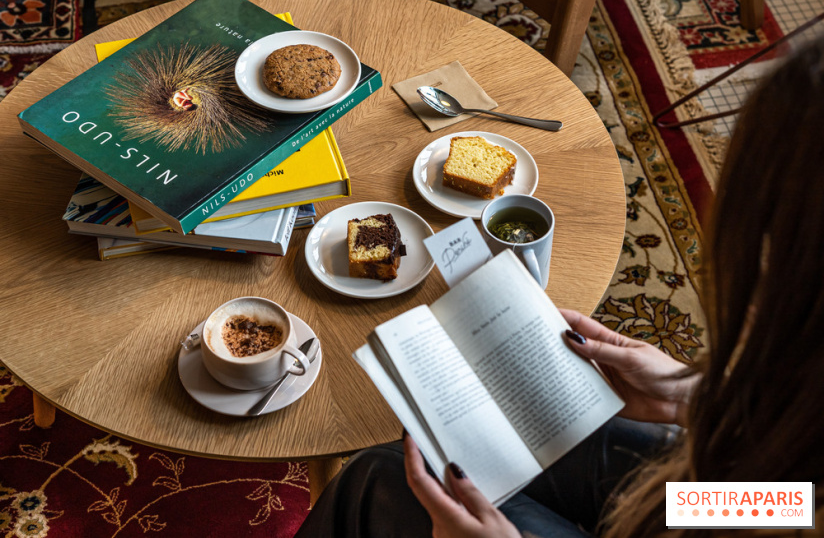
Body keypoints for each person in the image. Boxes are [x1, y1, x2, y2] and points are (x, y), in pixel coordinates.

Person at [295, 36, 824, 537]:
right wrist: (692, 400)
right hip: (743, 499)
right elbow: (794, 495)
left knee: (377, 480)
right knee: (448, 452)